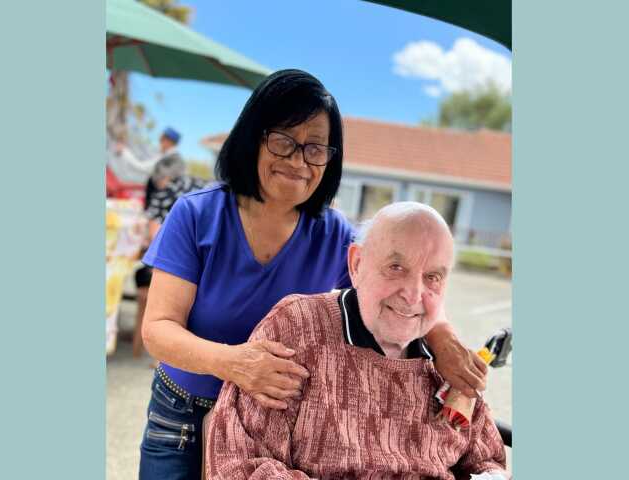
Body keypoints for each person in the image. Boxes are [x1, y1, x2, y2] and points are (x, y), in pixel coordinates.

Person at [137, 69, 487, 480]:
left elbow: (397, 285)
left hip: (271, 430)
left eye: (315, 149)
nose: (298, 161)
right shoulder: (196, 216)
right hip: (185, 416)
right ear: (254, 137)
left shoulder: (337, 235)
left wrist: (443, 342)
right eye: (283, 141)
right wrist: (235, 363)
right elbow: (157, 329)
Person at [206, 202, 508, 480]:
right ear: (356, 264)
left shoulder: (448, 361)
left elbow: (486, 461)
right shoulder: (297, 329)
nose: (413, 295)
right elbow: (240, 464)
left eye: (433, 277)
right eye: (396, 267)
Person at [132, 155, 206, 358]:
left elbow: (156, 239)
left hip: (176, 271)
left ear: (162, 176)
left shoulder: (163, 194)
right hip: (206, 273)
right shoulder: (202, 188)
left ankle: (150, 348)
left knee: (143, 275)